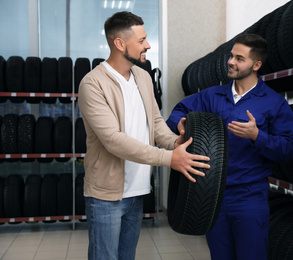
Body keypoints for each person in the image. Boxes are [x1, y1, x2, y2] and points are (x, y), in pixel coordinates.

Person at [78, 11, 210, 260]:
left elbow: (156, 123)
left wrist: (176, 142)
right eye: (141, 40)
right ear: (120, 43)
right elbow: (113, 140)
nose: (147, 45)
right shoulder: (92, 84)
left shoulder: (143, 76)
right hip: (106, 196)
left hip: (136, 191)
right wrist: (169, 158)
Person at [166, 34, 293, 260]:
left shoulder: (273, 102)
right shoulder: (212, 96)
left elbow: (290, 148)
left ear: (256, 65)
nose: (231, 61)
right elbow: (178, 111)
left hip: (249, 197)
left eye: (239, 58)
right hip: (213, 195)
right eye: (231, 56)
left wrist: (257, 135)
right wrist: (180, 124)